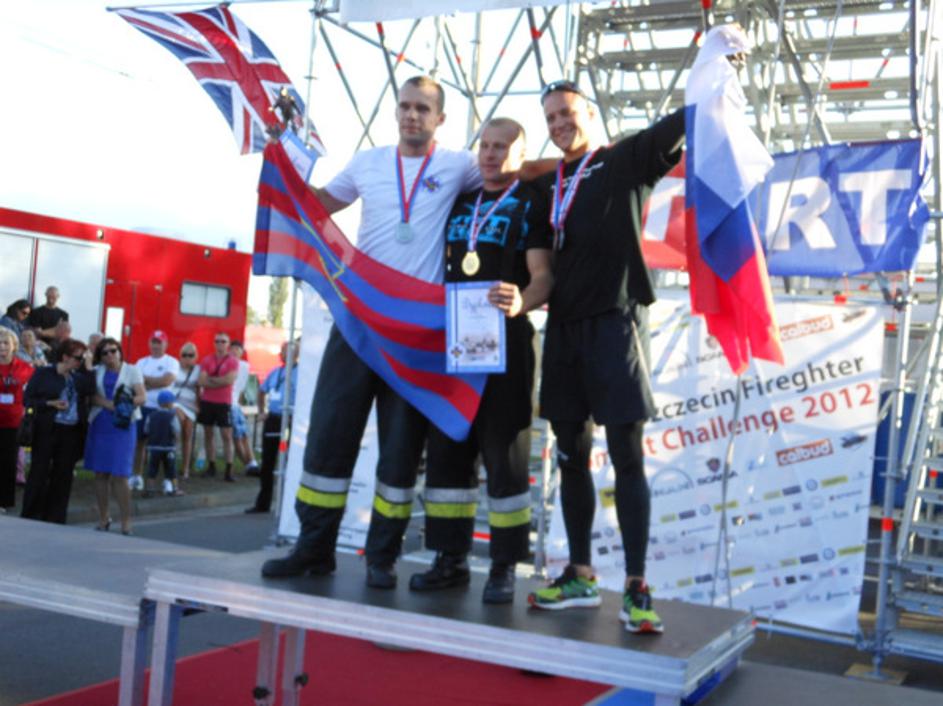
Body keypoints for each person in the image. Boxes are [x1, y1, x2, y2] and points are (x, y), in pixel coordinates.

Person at [261, 75, 485, 588]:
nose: (412, 116)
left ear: (440, 119)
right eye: (405, 107)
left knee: (400, 452)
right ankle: (313, 549)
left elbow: (503, 174)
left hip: (415, 335)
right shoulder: (367, 162)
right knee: (328, 437)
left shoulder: (458, 165)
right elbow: (319, 204)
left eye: (423, 109)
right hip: (358, 321)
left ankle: (381, 557)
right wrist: (283, 160)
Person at [524, 80, 684, 635]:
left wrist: (717, 67)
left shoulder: (623, 161)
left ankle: (637, 587)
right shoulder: (550, 186)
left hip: (616, 323)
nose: (559, 123)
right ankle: (580, 574)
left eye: (567, 112)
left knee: (626, 455)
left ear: (590, 112)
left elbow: (679, 124)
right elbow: (538, 262)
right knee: (570, 454)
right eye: (550, 116)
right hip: (563, 329)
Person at [408, 118, 553, 604]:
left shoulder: (532, 202)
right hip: (454, 348)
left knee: (505, 457)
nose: (490, 155)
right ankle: (449, 559)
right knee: (449, 451)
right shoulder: (460, 200)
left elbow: (542, 275)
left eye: (502, 147)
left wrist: (523, 301)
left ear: (521, 154)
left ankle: (505, 565)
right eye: (485, 146)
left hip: (507, 343)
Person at [20, 338, 93, 524]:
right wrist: (49, 404)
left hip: (71, 432)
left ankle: (56, 516)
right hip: (47, 429)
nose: (80, 362)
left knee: (63, 474)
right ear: (65, 357)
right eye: (78, 358)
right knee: (39, 470)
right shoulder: (44, 374)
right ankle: (31, 514)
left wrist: (89, 366)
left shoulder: (78, 378)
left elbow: (91, 389)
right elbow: (28, 399)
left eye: (82, 359)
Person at [84, 337, 146, 534]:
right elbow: (91, 395)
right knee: (100, 474)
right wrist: (107, 403)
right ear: (100, 357)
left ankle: (126, 521)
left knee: (120, 475)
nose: (110, 355)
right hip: (101, 423)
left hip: (123, 425)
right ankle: (104, 518)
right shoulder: (97, 372)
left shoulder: (132, 370)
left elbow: (142, 396)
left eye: (113, 350)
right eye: (105, 352)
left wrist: (123, 404)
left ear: (120, 351)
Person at [246, 340, 299, 514]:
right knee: (267, 462)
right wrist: (262, 411)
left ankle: (288, 505)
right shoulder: (275, 372)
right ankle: (263, 503)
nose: (282, 354)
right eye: (282, 351)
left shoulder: (301, 373)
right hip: (273, 418)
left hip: (290, 419)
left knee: (290, 462)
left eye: (286, 351)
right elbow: (262, 390)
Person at [131, 330, 179, 490]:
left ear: (166, 344)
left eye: (159, 342)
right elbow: (135, 383)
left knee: (165, 447)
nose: (156, 346)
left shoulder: (171, 362)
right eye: (154, 342)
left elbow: (166, 381)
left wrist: (145, 382)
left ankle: (167, 479)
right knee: (139, 443)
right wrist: (151, 383)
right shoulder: (141, 362)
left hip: (163, 411)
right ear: (149, 343)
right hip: (143, 407)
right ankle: (137, 476)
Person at [0, 327, 34, 512]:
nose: (2, 347)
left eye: (6, 343)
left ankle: (3, 501)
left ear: (14, 346)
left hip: (13, 421)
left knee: (8, 461)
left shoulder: (24, 368)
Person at [197, 332, 238, 481]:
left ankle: (229, 468)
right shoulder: (207, 359)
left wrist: (210, 380)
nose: (220, 344)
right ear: (214, 343)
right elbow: (201, 381)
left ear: (228, 344)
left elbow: (229, 380)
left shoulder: (233, 361)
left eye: (223, 341)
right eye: (217, 341)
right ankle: (212, 466)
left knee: (226, 435)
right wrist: (218, 381)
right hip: (207, 401)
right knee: (208, 434)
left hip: (224, 402)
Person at [229, 340, 259, 476]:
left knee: (244, 435)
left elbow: (240, 389)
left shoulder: (244, 366)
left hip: (235, 405)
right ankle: (248, 464)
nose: (235, 351)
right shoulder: (234, 364)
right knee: (237, 436)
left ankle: (252, 463)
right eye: (233, 348)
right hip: (230, 404)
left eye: (237, 349)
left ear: (241, 352)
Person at [145, 390, 183, 497]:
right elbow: (176, 430)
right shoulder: (172, 416)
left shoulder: (151, 416)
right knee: (171, 469)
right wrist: (177, 442)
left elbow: (146, 429)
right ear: (168, 403)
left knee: (152, 468)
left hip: (154, 447)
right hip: (168, 447)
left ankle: (150, 489)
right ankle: (175, 488)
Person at [172, 342, 201, 481]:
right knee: (178, 428)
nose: (187, 358)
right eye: (184, 355)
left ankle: (185, 469)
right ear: (180, 356)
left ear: (196, 357)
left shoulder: (198, 370)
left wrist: (200, 405)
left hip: (191, 404)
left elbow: (200, 389)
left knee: (188, 433)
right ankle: (171, 463)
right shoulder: (174, 367)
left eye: (191, 355)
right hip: (176, 402)